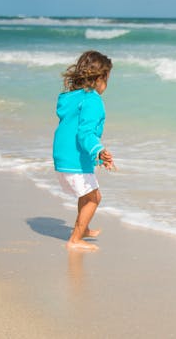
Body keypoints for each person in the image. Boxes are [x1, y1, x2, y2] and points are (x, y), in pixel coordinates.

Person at [53, 50, 116, 251]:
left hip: (63, 158)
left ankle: (84, 227)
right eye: (107, 78)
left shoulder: (70, 97)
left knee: (86, 194)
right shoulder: (93, 100)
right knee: (94, 198)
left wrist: (96, 157)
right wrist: (98, 150)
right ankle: (75, 238)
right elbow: (85, 133)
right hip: (75, 160)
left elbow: (72, 130)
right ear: (99, 78)